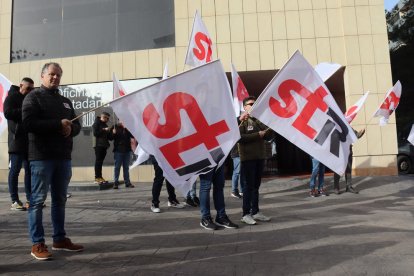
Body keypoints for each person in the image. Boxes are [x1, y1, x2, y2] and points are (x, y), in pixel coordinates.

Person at [22, 62, 83, 260]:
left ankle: (59, 239)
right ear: (42, 76)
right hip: (41, 157)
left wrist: (70, 129)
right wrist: (57, 124)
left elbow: (77, 125)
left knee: (59, 200)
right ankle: (37, 243)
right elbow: (29, 123)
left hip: (63, 157)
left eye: (58, 75)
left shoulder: (66, 101)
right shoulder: (33, 97)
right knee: (37, 201)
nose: (55, 77)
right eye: (51, 74)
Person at [238, 96, 275, 225]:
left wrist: (264, 124)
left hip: (260, 157)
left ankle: (256, 211)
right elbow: (239, 138)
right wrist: (257, 135)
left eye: (255, 103)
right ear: (244, 107)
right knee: (248, 187)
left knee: (256, 187)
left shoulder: (257, 119)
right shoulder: (242, 120)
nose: (253, 105)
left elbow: (269, 136)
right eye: (251, 103)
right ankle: (245, 214)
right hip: (248, 158)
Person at [4, 77, 34, 211]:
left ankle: (30, 199)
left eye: (31, 89)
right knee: (15, 170)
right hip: (16, 141)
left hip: (28, 140)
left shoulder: (29, 98)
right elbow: (7, 113)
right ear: (21, 85)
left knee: (29, 171)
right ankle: (15, 200)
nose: (29, 91)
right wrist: (24, 111)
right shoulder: (12, 97)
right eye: (28, 88)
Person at [199, 165, 238, 230]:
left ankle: (221, 217)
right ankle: (205, 218)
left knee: (219, 186)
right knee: (205, 186)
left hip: (219, 158)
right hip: (205, 158)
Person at [333, 129, 366, 194]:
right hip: (339, 151)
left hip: (348, 151)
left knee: (348, 169)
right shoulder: (335, 126)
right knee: (338, 169)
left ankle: (349, 186)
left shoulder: (347, 126)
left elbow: (355, 136)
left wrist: (359, 134)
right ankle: (336, 187)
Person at [111, 122, 135, 189]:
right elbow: (110, 138)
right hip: (118, 150)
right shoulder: (115, 127)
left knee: (126, 167)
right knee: (117, 167)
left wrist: (128, 129)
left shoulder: (127, 128)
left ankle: (127, 182)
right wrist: (113, 133)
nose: (123, 122)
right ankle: (115, 183)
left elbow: (132, 136)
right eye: (122, 120)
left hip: (127, 151)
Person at [92, 111, 112, 185]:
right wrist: (104, 130)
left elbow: (110, 138)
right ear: (102, 117)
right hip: (98, 145)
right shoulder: (96, 123)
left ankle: (100, 177)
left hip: (104, 145)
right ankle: (97, 177)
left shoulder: (105, 125)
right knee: (98, 161)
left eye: (108, 119)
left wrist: (112, 132)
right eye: (106, 118)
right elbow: (95, 133)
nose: (107, 120)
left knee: (100, 162)